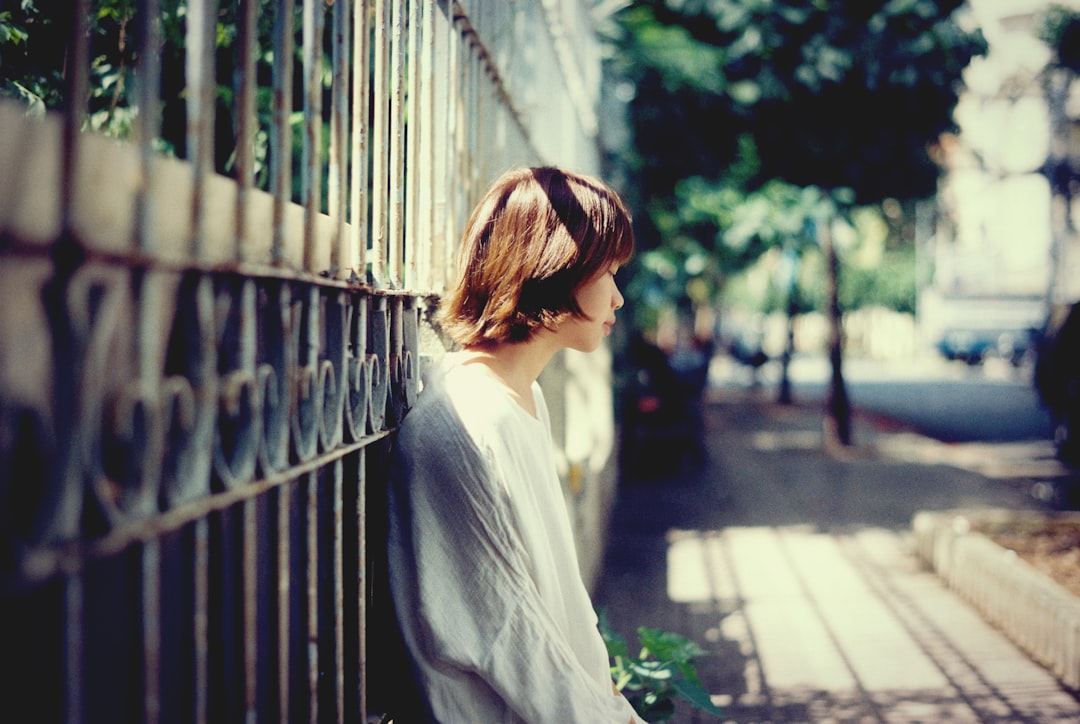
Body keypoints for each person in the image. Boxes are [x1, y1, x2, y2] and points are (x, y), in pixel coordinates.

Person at [386, 166, 645, 723]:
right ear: (557, 267)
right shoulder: (465, 420)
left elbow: (555, 601)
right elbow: (509, 630)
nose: (619, 299)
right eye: (609, 273)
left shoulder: (518, 398)